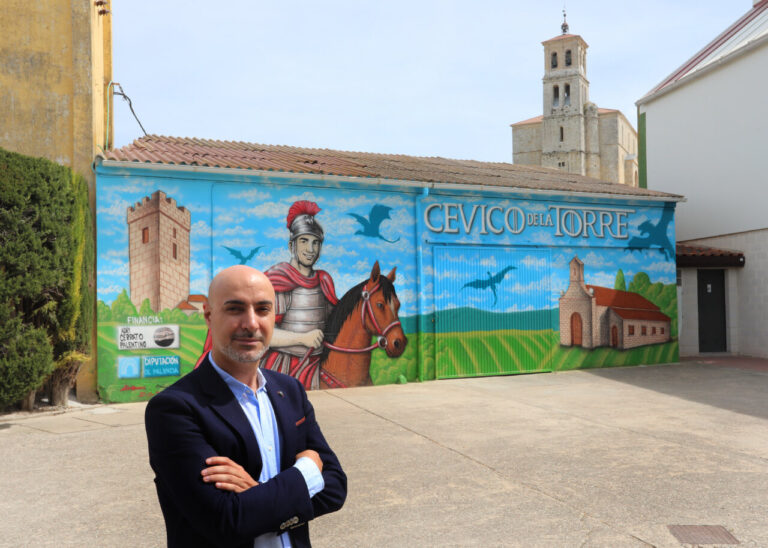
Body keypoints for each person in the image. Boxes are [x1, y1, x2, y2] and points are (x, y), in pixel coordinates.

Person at [145, 265, 347, 548]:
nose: (251, 323)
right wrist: (306, 473)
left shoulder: (290, 392)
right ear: (209, 316)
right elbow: (226, 520)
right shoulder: (175, 409)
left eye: (263, 309)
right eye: (235, 309)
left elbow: (336, 488)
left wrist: (259, 496)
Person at [260, 201, 339, 390]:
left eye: (316, 243)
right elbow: (264, 334)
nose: (311, 250)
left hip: (317, 363)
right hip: (284, 366)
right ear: (291, 245)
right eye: (304, 241)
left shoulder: (324, 281)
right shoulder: (278, 280)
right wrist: (302, 339)